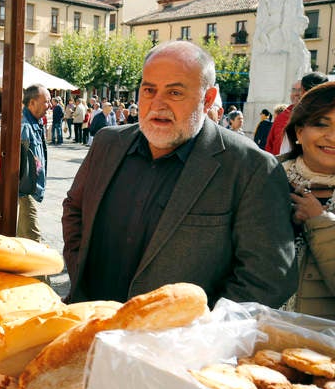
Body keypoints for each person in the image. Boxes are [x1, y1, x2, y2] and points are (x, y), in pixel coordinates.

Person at [62, 40, 297, 308]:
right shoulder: (108, 143)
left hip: (179, 334)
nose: (157, 104)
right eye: (149, 90)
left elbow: (268, 279)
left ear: (208, 99)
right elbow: (74, 209)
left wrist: (193, 328)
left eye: (175, 93)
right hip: (89, 319)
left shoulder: (250, 168)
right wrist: (80, 275)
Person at [282, 82, 335, 319]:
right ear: (299, 131)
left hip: (323, 338)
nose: (332, 137)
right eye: (321, 124)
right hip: (255, 331)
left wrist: (319, 222)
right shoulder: (261, 178)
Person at [266, 72, 328, 155]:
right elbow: (271, 145)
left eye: (299, 90)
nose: (296, 94)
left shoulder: (327, 114)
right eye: (294, 90)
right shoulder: (284, 116)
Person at [18, 84, 50, 242]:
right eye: (46, 101)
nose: (49, 105)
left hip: (30, 186)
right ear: (32, 103)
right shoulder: (24, 125)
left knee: (22, 235)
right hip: (26, 189)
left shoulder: (36, 123)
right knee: (33, 236)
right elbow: (19, 161)